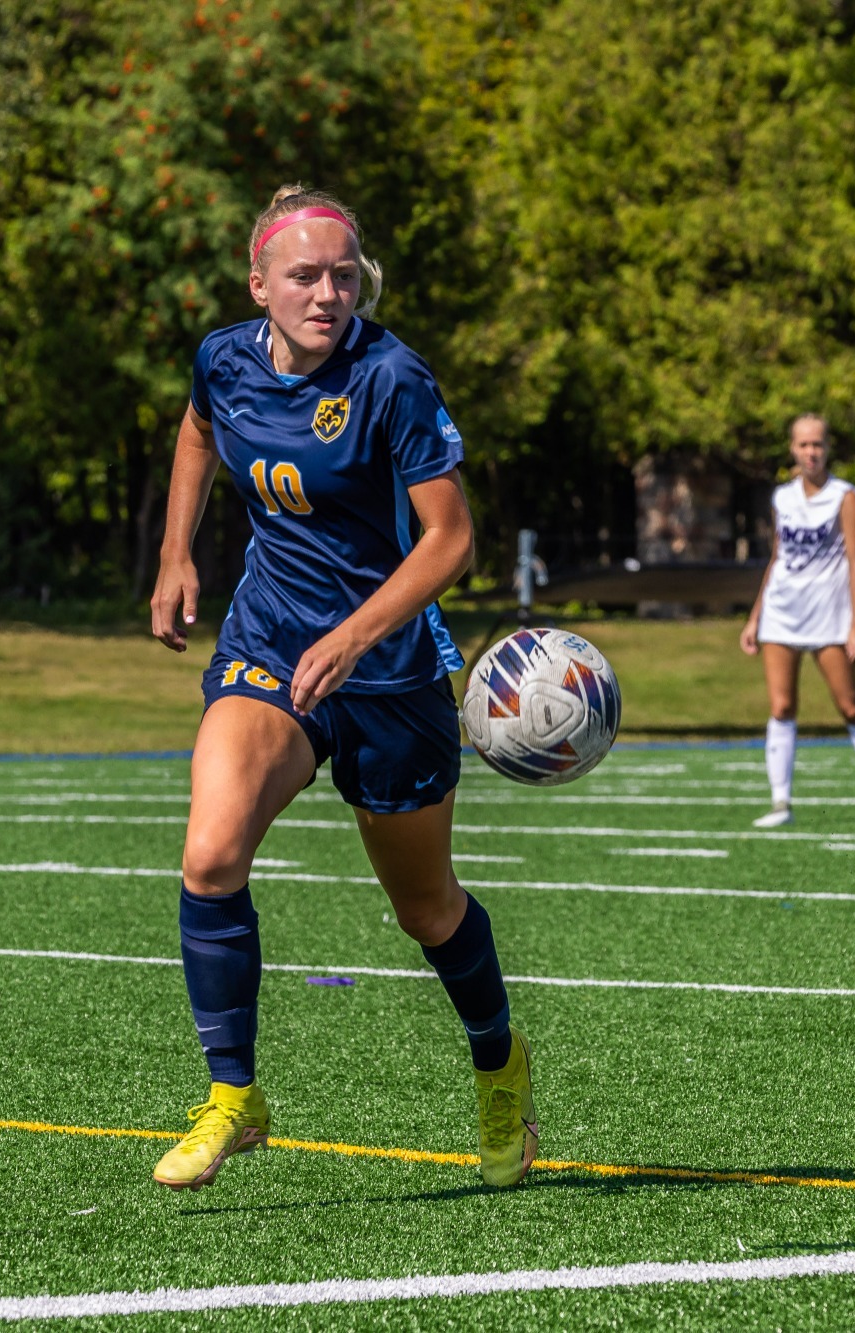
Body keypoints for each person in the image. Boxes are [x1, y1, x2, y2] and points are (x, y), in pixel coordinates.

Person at [145, 184, 534, 1193]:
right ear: (259, 285)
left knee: (425, 910)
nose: (327, 293)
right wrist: (174, 554)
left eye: (343, 276)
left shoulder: (392, 378)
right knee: (210, 852)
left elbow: (450, 540)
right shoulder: (223, 358)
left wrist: (359, 634)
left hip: (390, 673)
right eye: (305, 277)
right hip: (270, 645)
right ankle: (234, 1097)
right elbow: (195, 431)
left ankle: (498, 1065)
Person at [740, 414, 855, 829]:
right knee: (782, 706)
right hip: (781, 613)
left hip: (829, 616)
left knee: (849, 704)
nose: (811, 452)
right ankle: (780, 804)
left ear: (828, 449)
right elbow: (777, 558)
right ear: (792, 448)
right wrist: (755, 617)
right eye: (804, 445)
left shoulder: (845, 497)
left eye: (818, 445)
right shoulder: (781, 498)